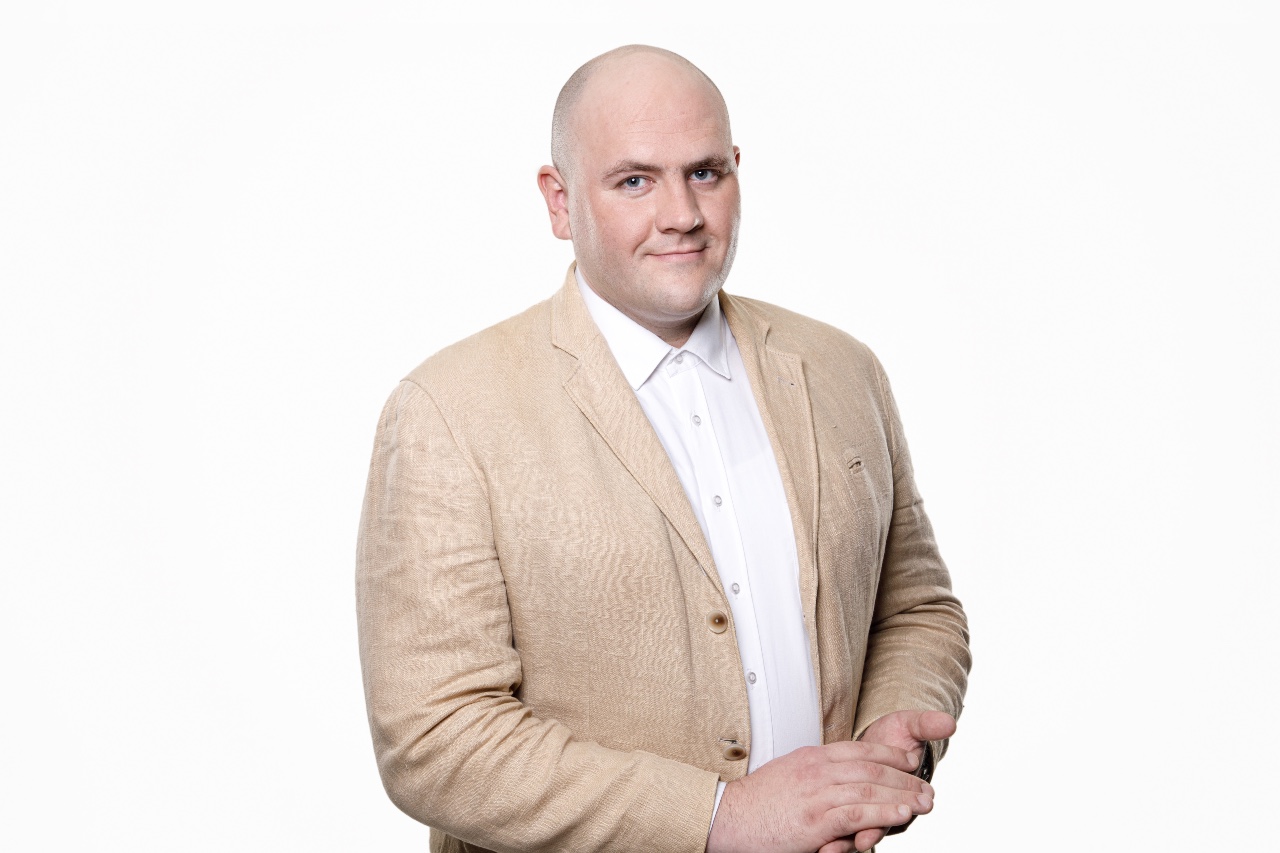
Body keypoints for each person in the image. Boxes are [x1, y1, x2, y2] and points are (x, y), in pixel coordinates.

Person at [356, 45, 970, 853]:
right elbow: (434, 738)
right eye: (635, 181)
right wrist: (719, 817)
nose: (682, 213)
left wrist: (889, 745)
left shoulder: (842, 369)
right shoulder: (448, 411)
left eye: (706, 173)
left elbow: (915, 608)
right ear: (560, 201)